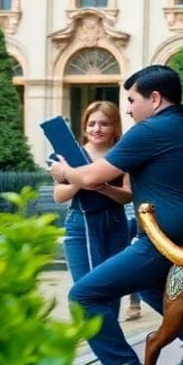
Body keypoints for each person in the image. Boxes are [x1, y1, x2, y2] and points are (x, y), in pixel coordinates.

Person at [53, 65, 183, 365]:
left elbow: (89, 177)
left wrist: (63, 170)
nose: (127, 108)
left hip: (160, 243)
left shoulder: (149, 131)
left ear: (154, 98)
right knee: (147, 286)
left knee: (83, 296)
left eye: (131, 99)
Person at [52, 101, 133, 314]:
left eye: (104, 123)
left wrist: (103, 187)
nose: (97, 129)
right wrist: (80, 179)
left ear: (115, 126)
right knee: (87, 291)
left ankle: (108, 342)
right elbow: (59, 195)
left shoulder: (122, 154)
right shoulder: (72, 156)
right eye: (92, 124)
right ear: (84, 127)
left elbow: (128, 196)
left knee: (112, 290)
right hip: (82, 223)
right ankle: (102, 344)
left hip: (115, 224)